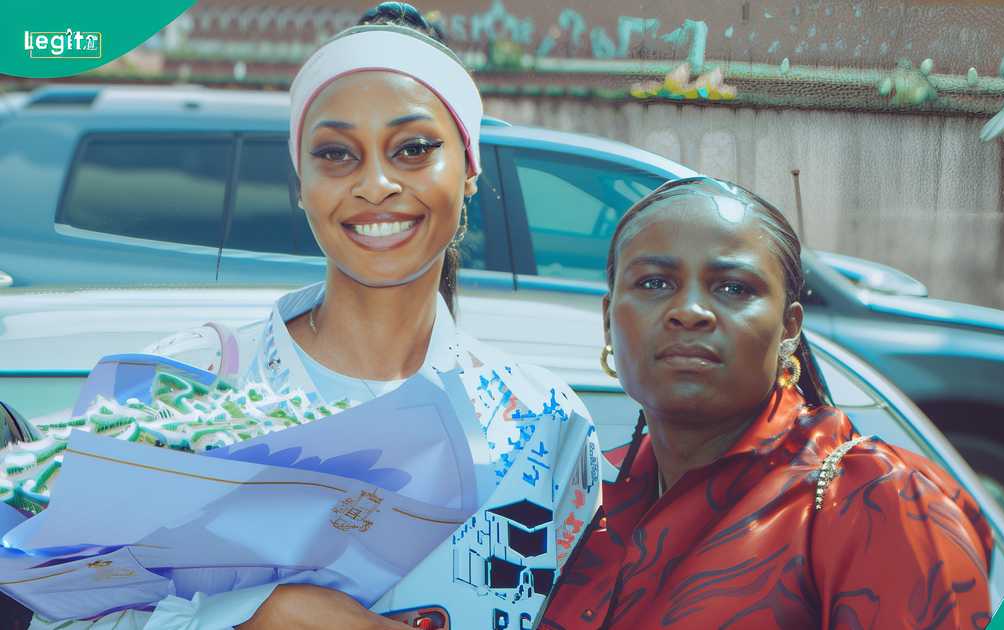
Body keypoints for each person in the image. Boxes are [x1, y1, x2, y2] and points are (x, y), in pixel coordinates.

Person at [25, 4, 599, 629]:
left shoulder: (542, 420)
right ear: (300, 182)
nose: (376, 183)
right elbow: (62, 615)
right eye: (336, 153)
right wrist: (255, 617)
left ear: (469, 169)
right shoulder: (186, 388)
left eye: (413, 149)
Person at [539, 176, 994, 629]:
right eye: (655, 283)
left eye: (733, 288)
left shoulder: (876, 501)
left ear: (789, 327)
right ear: (608, 321)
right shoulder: (575, 503)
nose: (689, 311)